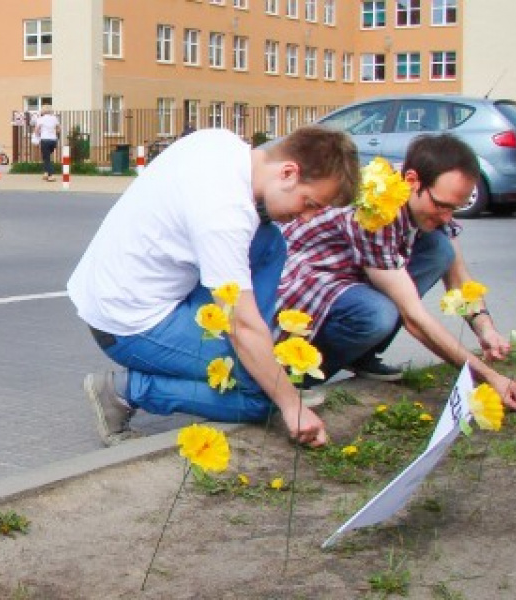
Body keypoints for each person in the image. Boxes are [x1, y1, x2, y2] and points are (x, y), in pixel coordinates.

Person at [69, 126, 359, 447]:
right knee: (263, 397)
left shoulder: (224, 144)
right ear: (289, 173)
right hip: (127, 324)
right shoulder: (225, 213)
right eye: (309, 204)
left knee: (270, 242)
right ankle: (123, 391)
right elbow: (241, 326)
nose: (305, 219)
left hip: (118, 287)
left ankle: (253, 355)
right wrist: (292, 405)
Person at [277, 133, 516, 411]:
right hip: (304, 282)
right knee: (377, 314)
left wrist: (486, 330)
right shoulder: (377, 208)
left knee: (441, 249)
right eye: (442, 205)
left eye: (454, 208)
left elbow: (459, 280)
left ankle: (361, 354)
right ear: (412, 181)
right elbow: (414, 319)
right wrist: (488, 376)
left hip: (352, 276)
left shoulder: (428, 199)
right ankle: (293, 378)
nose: (447, 216)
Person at [34, 105, 61, 182]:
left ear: (43, 111)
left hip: (45, 140)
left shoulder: (40, 119)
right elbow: (59, 129)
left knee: (46, 158)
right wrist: (55, 135)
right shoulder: (54, 118)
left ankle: (51, 175)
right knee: (47, 156)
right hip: (53, 140)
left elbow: (36, 130)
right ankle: (46, 173)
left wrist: (38, 135)